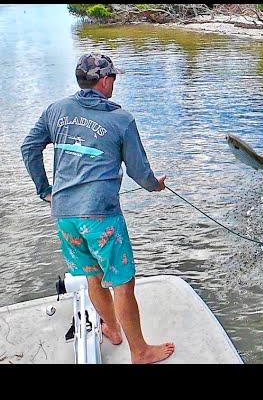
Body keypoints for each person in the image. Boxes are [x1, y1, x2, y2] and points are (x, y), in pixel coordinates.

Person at [21, 52, 175, 364]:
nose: (114, 82)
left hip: (64, 215)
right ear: (104, 80)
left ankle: (114, 331)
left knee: (93, 276)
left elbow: (29, 147)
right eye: (113, 77)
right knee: (122, 283)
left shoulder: (56, 110)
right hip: (100, 217)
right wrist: (155, 185)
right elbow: (139, 172)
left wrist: (45, 190)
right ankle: (140, 351)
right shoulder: (121, 120)